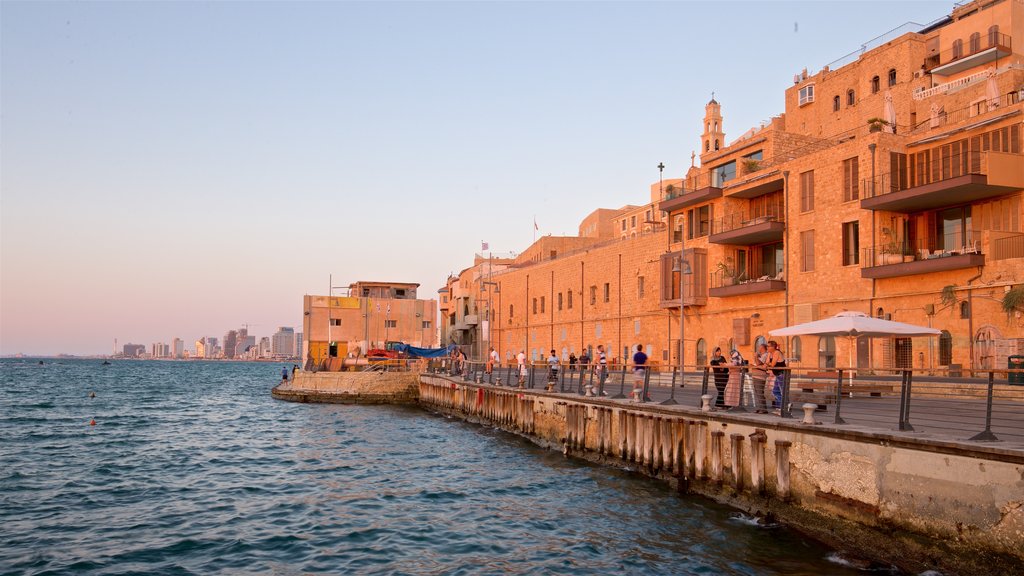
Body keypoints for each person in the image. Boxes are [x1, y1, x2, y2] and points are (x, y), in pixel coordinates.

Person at [766, 340, 787, 413]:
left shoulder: (777, 352)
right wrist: (768, 355)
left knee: (782, 391)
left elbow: (772, 365)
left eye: (768, 346)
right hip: (777, 375)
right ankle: (779, 408)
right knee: (775, 391)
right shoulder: (770, 353)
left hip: (782, 374)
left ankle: (785, 406)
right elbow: (767, 363)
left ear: (773, 347)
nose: (767, 347)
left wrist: (767, 365)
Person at [750, 343, 770, 413]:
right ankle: (760, 407)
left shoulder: (765, 355)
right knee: (757, 392)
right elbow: (758, 364)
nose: (758, 348)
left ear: (762, 348)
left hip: (760, 376)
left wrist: (755, 357)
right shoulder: (761, 355)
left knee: (760, 392)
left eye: (759, 347)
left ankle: (763, 409)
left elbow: (759, 363)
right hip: (756, 375)